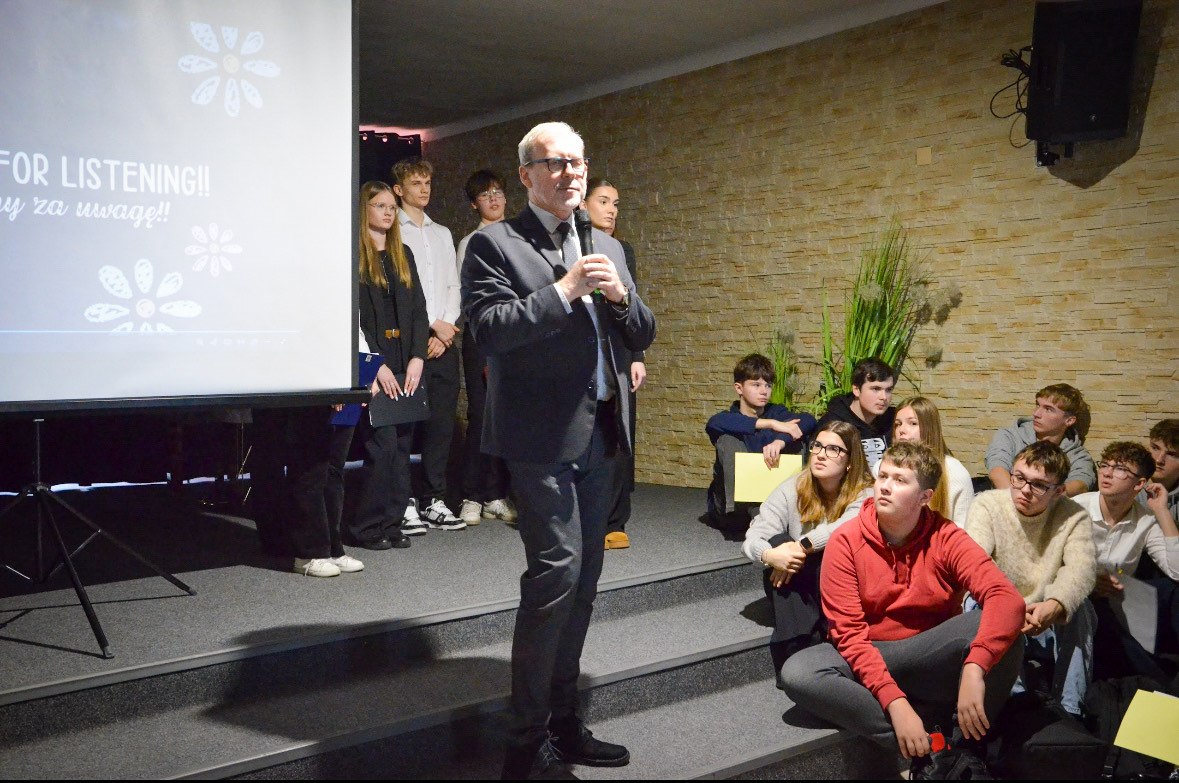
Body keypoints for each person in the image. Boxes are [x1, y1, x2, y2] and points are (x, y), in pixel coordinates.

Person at [461, 121, 655, 779]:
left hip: (602, 432)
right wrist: (565, 290)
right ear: (526, 175)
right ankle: (524, 740)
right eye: (555, 163)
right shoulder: (494, 244)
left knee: (585, 581)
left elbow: (643, 330)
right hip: (540, 439)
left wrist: (620, 296)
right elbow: (489, 330)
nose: (571, 173)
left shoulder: (608, 244)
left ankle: (565, 721)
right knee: (556, 576)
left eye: (578, 162)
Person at [780, 441, 1025, 778]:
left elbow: (1006, 597)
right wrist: (895, 704)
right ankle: (934, 750)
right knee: (799, 672)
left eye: (900, 480)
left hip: (929, 655)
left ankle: (967, 744)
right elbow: (849, 636)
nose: (885, 486)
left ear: (925, 496)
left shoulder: (946, 536)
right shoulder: (846, 540)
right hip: (872, 652)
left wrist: (975, 666)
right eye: (883, 476)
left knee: (1003, 628)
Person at [966, 441, 1096, 716]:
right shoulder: (987, 504)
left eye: (1038, 485)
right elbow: (976, 563)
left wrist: (1055, 605)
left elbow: (1081, 569)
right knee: (972, 603)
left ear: (1058, 491)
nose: (1024, 490)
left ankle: (1070, 709)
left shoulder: (1074, 516)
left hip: (1043, 613)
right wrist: (1011, 607)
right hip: (1000, 604)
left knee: (1080, 608)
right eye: (1019, 478)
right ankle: (1016, 703)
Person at [339, 181, 430, 552]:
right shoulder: (353, 256)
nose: (389, 212)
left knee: (402, 446)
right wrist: (374, 364)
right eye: (380, 206)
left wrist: (418, 356)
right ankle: (366, 526)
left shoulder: (402, 254)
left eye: (392, 207)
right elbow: (353, 320)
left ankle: (392, 524)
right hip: (372, 364)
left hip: (405, 361)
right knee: (382, 447)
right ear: (365, 210)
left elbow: (419, 310)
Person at [742, 420, 873, 677]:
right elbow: (753, 537)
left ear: (850, 461)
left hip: (842, 581)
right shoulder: (792, 488)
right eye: (818, 446)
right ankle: (803, 645)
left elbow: (847, 526)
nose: (821, 454)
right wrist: (770, 555)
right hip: (794, 576)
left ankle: (793, 651)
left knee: (828, 554)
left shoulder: (866, 492)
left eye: (834, 449)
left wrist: (801, 546)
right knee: (778, 542)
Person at [391, 157, 465, 533]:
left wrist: (446, 330)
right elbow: (402, 289)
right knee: (405, 425)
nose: (424, 190)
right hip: (410, 343)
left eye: (428, 183)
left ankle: (434, 498)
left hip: (443, 343)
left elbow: (453, 284)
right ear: (398, 190)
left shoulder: (442, 233)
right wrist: (432, 327)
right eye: (416, 184)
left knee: (441, 426)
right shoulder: (392, 230)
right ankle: (402, 501)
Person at [1075, 442, 1179, 682]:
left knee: (1174, 590)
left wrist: (1162, 511)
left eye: (1120, 469)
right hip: (1076, 602)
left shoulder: (1145, 520)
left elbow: (1177, 571)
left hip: (1122, 606)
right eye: (1105, 465)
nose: (1107, 473)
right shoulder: (1076, 508)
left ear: (1139, 484)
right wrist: (1089, 585)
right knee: (1099, 612)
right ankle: (1162, 682)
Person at [584, 178, 644, 550]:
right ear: (582, 204)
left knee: (620, 435)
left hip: (619, 354)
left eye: (616, 204)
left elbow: (634, 307)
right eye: (603, 201)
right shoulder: (570, 247)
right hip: (584, 353)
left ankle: (615, 520)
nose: (611, 210)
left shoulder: (622, 250)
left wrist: (638, 356)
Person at [454, 169, 515, 527]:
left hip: (516, 336)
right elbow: (469, 298)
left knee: (508, 417)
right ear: (474, 204)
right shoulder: (471, 242)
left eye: (498, 192)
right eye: (485, 194)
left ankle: (496, 494)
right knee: (481, 417)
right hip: (483, 337)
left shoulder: (521, 237)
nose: (493, 199)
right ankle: (472, 496)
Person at [706, 353, 817, 532]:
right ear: (739, 388)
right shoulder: (729, 418)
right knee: (728, 439)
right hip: (732, 509)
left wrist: (780, 441)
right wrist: (771, 424)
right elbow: (713, 423)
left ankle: (779, 513)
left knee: (795, 438)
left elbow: (808, 420)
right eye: (756, 385)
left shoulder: (777, 412)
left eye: (768, 385)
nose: (764, 391)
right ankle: (757, 516)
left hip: (772, 500)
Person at [985, 383, 1095, 496]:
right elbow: (997, 469)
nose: (1036, 413)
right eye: (1038, 405)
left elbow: (1081, 484)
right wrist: (1018, 499)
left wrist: (1042, 499)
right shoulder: (1010, 436)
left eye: (1048, 409)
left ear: (1069, 420)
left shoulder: (1076, 454)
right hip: (1006, 501)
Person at [892, 396, 974, 526]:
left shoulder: (954, 471)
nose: (901, 430)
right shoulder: (883, 467)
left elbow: (965, 527)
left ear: (930, 428)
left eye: (913, 423)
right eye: (898, 424)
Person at [816, 357, 896, 474]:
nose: (883, 397)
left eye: (888, 390)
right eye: (876, 389)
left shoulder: (895, 421)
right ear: (856, 389)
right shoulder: (833, 424)